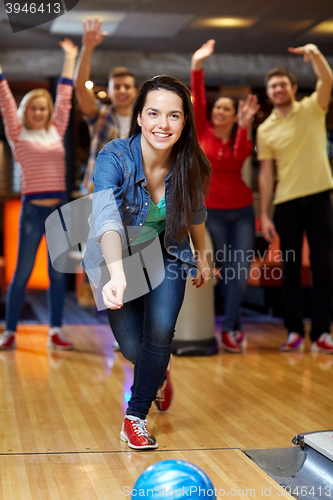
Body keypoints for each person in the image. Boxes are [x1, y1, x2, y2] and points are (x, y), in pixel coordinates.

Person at [82, 75, 211, 449]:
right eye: (154, 113)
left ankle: (134, 417)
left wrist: (201, 258)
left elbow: (195, 214)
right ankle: (158, 373)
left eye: (174, 116)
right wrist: (117, 274)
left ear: (184, 121)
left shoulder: (190, 163)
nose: (163, 124)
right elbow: (105, 215)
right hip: (117, 253)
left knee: (160, 332)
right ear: (139, 116)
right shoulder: (114, 157)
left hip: (166, 250)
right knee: (132, 348)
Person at [0, 39, 78, 350]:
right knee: (21, 274)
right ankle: (9, 332)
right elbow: (4, 97)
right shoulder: (17, 134)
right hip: (32, 211)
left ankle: (56, 330)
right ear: (25, 110)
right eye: (33, 107)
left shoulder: (56, 129)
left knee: (58, 275)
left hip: (59, 210)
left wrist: (70, 58)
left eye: (43, 107)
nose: (39, 111)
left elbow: (66, 97)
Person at [257, 44, 333, 353]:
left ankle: (321, 333)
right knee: (288, 268)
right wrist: (264, 213)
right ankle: (293, 332)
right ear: (269, 92)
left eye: (282, 85)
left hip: (319, 197)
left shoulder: (313, 108)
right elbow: (264, 174)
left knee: (324, 266)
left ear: (293, 88)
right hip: (286, 203)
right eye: (272, 86)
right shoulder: (265, 129)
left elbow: (327, 80)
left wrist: (315, 55)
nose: (277, 89)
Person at [191, 39, 259, 353]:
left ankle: (231, 329)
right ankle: (233, 323)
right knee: (221, 271)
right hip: (212, 213)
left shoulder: (240, 137)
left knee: (238, 271)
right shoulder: (202, 129)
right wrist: (197, 64)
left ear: (234, 116)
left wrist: (245, 127)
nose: (220, 111)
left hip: (243, 211)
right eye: (218, 107)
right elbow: (199, 96)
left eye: (226, 109)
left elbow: (242, 155)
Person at [74, 16, 137, 193]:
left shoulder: (144, 122)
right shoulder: (100, 116)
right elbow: (80, 86)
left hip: (132, 195)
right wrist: (87, 48)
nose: (122, 90)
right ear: (109, 92)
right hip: (100, 193)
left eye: (127, 86)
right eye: (117, 87)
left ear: (135, 92)